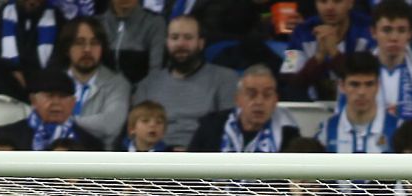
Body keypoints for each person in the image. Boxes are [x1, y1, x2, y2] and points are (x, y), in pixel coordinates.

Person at [130, 15, 240, 148]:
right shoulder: (147, 85)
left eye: (188, 38)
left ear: (201, 43)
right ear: (167, 42)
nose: (180, 44)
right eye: (174, 38)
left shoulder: (225, 79)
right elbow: (135, 133)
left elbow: (230, 130)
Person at [0, 0, 67, 100]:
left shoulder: (60, 23)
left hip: (43, 95)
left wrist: (24, 78)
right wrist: (12, 70)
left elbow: (58, 66)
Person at [188, 65, 300, 152]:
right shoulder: (211, 126)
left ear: (276, 100)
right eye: (251, 94)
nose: (259, 102)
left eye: (267, 95)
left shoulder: (288, 134)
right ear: (238, 99)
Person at [0, 69, 105, 150]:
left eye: (63, 96)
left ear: (73, 102)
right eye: (50, 96)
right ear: (33, 100)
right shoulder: (5, 135)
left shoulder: (91, 145)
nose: (56, 102)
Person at [61, 17, 130, 146]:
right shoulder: (53, 81)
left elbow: (110, 124)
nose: (87, 49)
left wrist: (67, 121)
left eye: (94, 43)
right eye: (80, 42)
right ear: (67, 48)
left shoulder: (118, 84)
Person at [319, 52, 397, 153]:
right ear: (342, 86)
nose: (362, 92)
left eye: (369, 84)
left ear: (378, 85)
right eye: (354, 84)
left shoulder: (398, 129)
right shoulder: (325, 132)